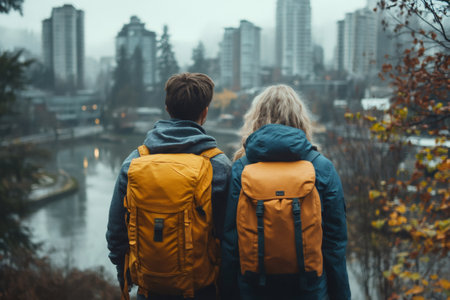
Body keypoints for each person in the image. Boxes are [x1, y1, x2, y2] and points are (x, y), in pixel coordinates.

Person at [106, 72, 232, 300]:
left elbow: (116, 235)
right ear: (205, 112)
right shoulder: (219, 166)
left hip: (148, 289)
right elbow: (230, 237)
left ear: (167, 107)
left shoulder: (133, 162)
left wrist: (126, 277)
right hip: (204, 290)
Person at [221, 85, 351, 300]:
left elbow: (230, 244)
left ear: (256, 119)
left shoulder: (241, 169)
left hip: (253, 291)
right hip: (310, 292)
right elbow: (335, 247)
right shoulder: (322, 168)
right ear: (300, 120)